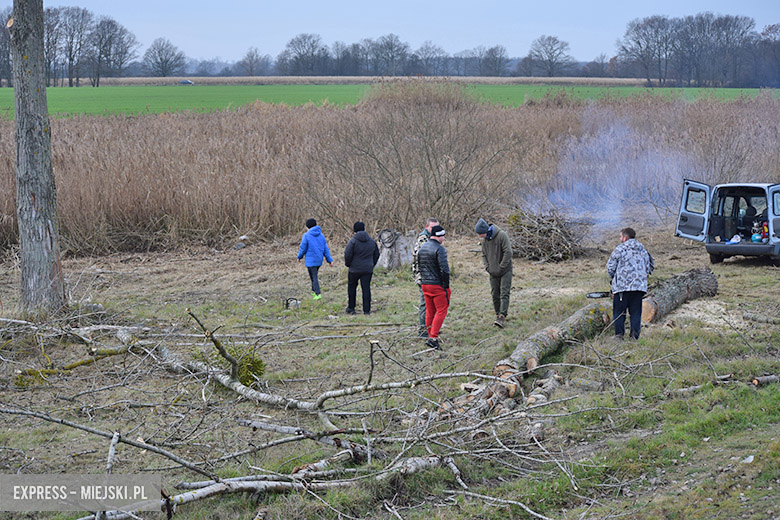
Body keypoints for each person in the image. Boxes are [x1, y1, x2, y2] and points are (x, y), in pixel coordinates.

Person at [606, 227, 655, 340]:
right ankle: (634, 337)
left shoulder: (620, 249)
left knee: (619, 312)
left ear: (625, 237)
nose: (620, 238)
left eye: (620, 236)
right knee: (636, 313)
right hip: (639, 288)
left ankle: (619, 336)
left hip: (622, 288)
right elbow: (650, 267)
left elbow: (610, 267)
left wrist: (614, 279)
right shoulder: (643, 250)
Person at [474, 218, 513, 328]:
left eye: (480, 234)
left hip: (505, 271)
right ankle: (497, 314)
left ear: (485, 231)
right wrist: (487, 267)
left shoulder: (502, 235)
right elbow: (484, 255)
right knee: (495, 294)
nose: (480, 237)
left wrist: (501, 267)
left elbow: (508, 252)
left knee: (504, 293)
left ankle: (502, 316)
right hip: (492, 272)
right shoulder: (485, 241)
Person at [417, 225, 450, 350]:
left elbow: (419, 265)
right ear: (439, 236)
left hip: (425, 284)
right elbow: (444, 269)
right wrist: (446, 285)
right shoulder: (440, 249)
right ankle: (433, 338)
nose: (444, 238)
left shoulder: (422, 247)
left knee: (430, 311)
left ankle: (430, 333)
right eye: (443, 236)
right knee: (441, 311)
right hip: (437, 285)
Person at [412, 217, 440, 337]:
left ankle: (431, 327)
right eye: (432, 227)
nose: (434, 229)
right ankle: (423, 329)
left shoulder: (432, 239)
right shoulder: (423, 240)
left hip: (430, 276)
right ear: (426, 227)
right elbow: (423, 259)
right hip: (423, 276)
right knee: (425, 302)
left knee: (432, 303)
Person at [344, 221, 380, 315]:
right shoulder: (372, 241)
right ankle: (367, 310)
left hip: (354, 269)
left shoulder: (352, 241)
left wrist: (348, 264)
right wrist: (372, 264)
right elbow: (376, 254)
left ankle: (351, 308)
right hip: (367, 269)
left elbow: (347, 254)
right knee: (366, 289)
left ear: (354, 230)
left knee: (352, 288)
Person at [296, 218, 333, 300]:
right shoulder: (321, 235)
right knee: (314, 275)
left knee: (314, 277)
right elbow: (325, 249)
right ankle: (313, 291)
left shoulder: (306, 235)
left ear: (307, 227)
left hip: (310, 261)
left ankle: (318, 293)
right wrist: (329, 260)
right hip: (319, 260)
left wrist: (299, 257)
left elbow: (303, 248)